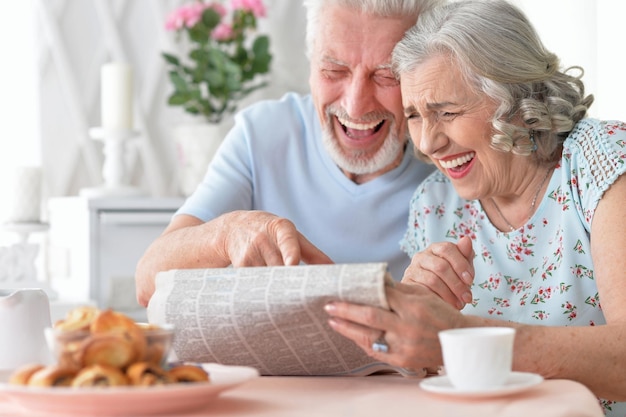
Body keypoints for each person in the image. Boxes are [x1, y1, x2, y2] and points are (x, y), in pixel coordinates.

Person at [323, 1, 626, 415]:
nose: (428, 143)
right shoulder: (434, 204)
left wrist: (459, 333)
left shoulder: (602, 162)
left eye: (446, 112)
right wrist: (416, 324)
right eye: (413, 116)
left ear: (515, 98)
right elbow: (429, 381)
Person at [135, 0, 439, 307]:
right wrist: (225, 234)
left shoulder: (449, 156)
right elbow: (149, 283)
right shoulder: (262, 133)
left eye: (387, 76)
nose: (355, 105)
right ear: (311, 67)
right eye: (334, 71)